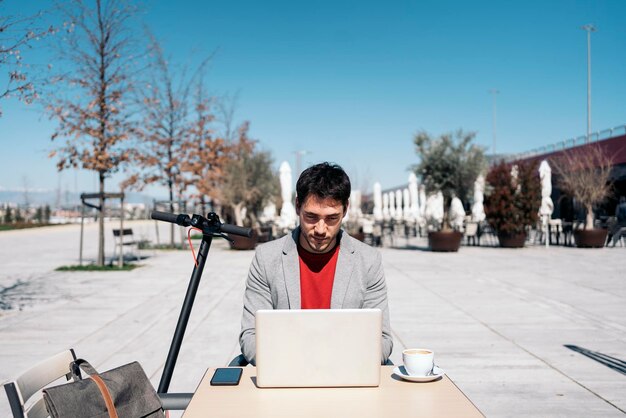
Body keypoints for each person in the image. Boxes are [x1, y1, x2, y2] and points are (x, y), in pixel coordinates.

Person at [238, 162, 393, 365]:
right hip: (286, 374)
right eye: (311, 217)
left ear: (345, 209)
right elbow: (250, 336)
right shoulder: (267, 258)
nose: (320, 229)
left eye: (331, 218)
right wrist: (301, 364)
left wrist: (331, 364)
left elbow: (382, 340)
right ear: (297, 206)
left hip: (345, 375)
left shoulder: (368, 261)